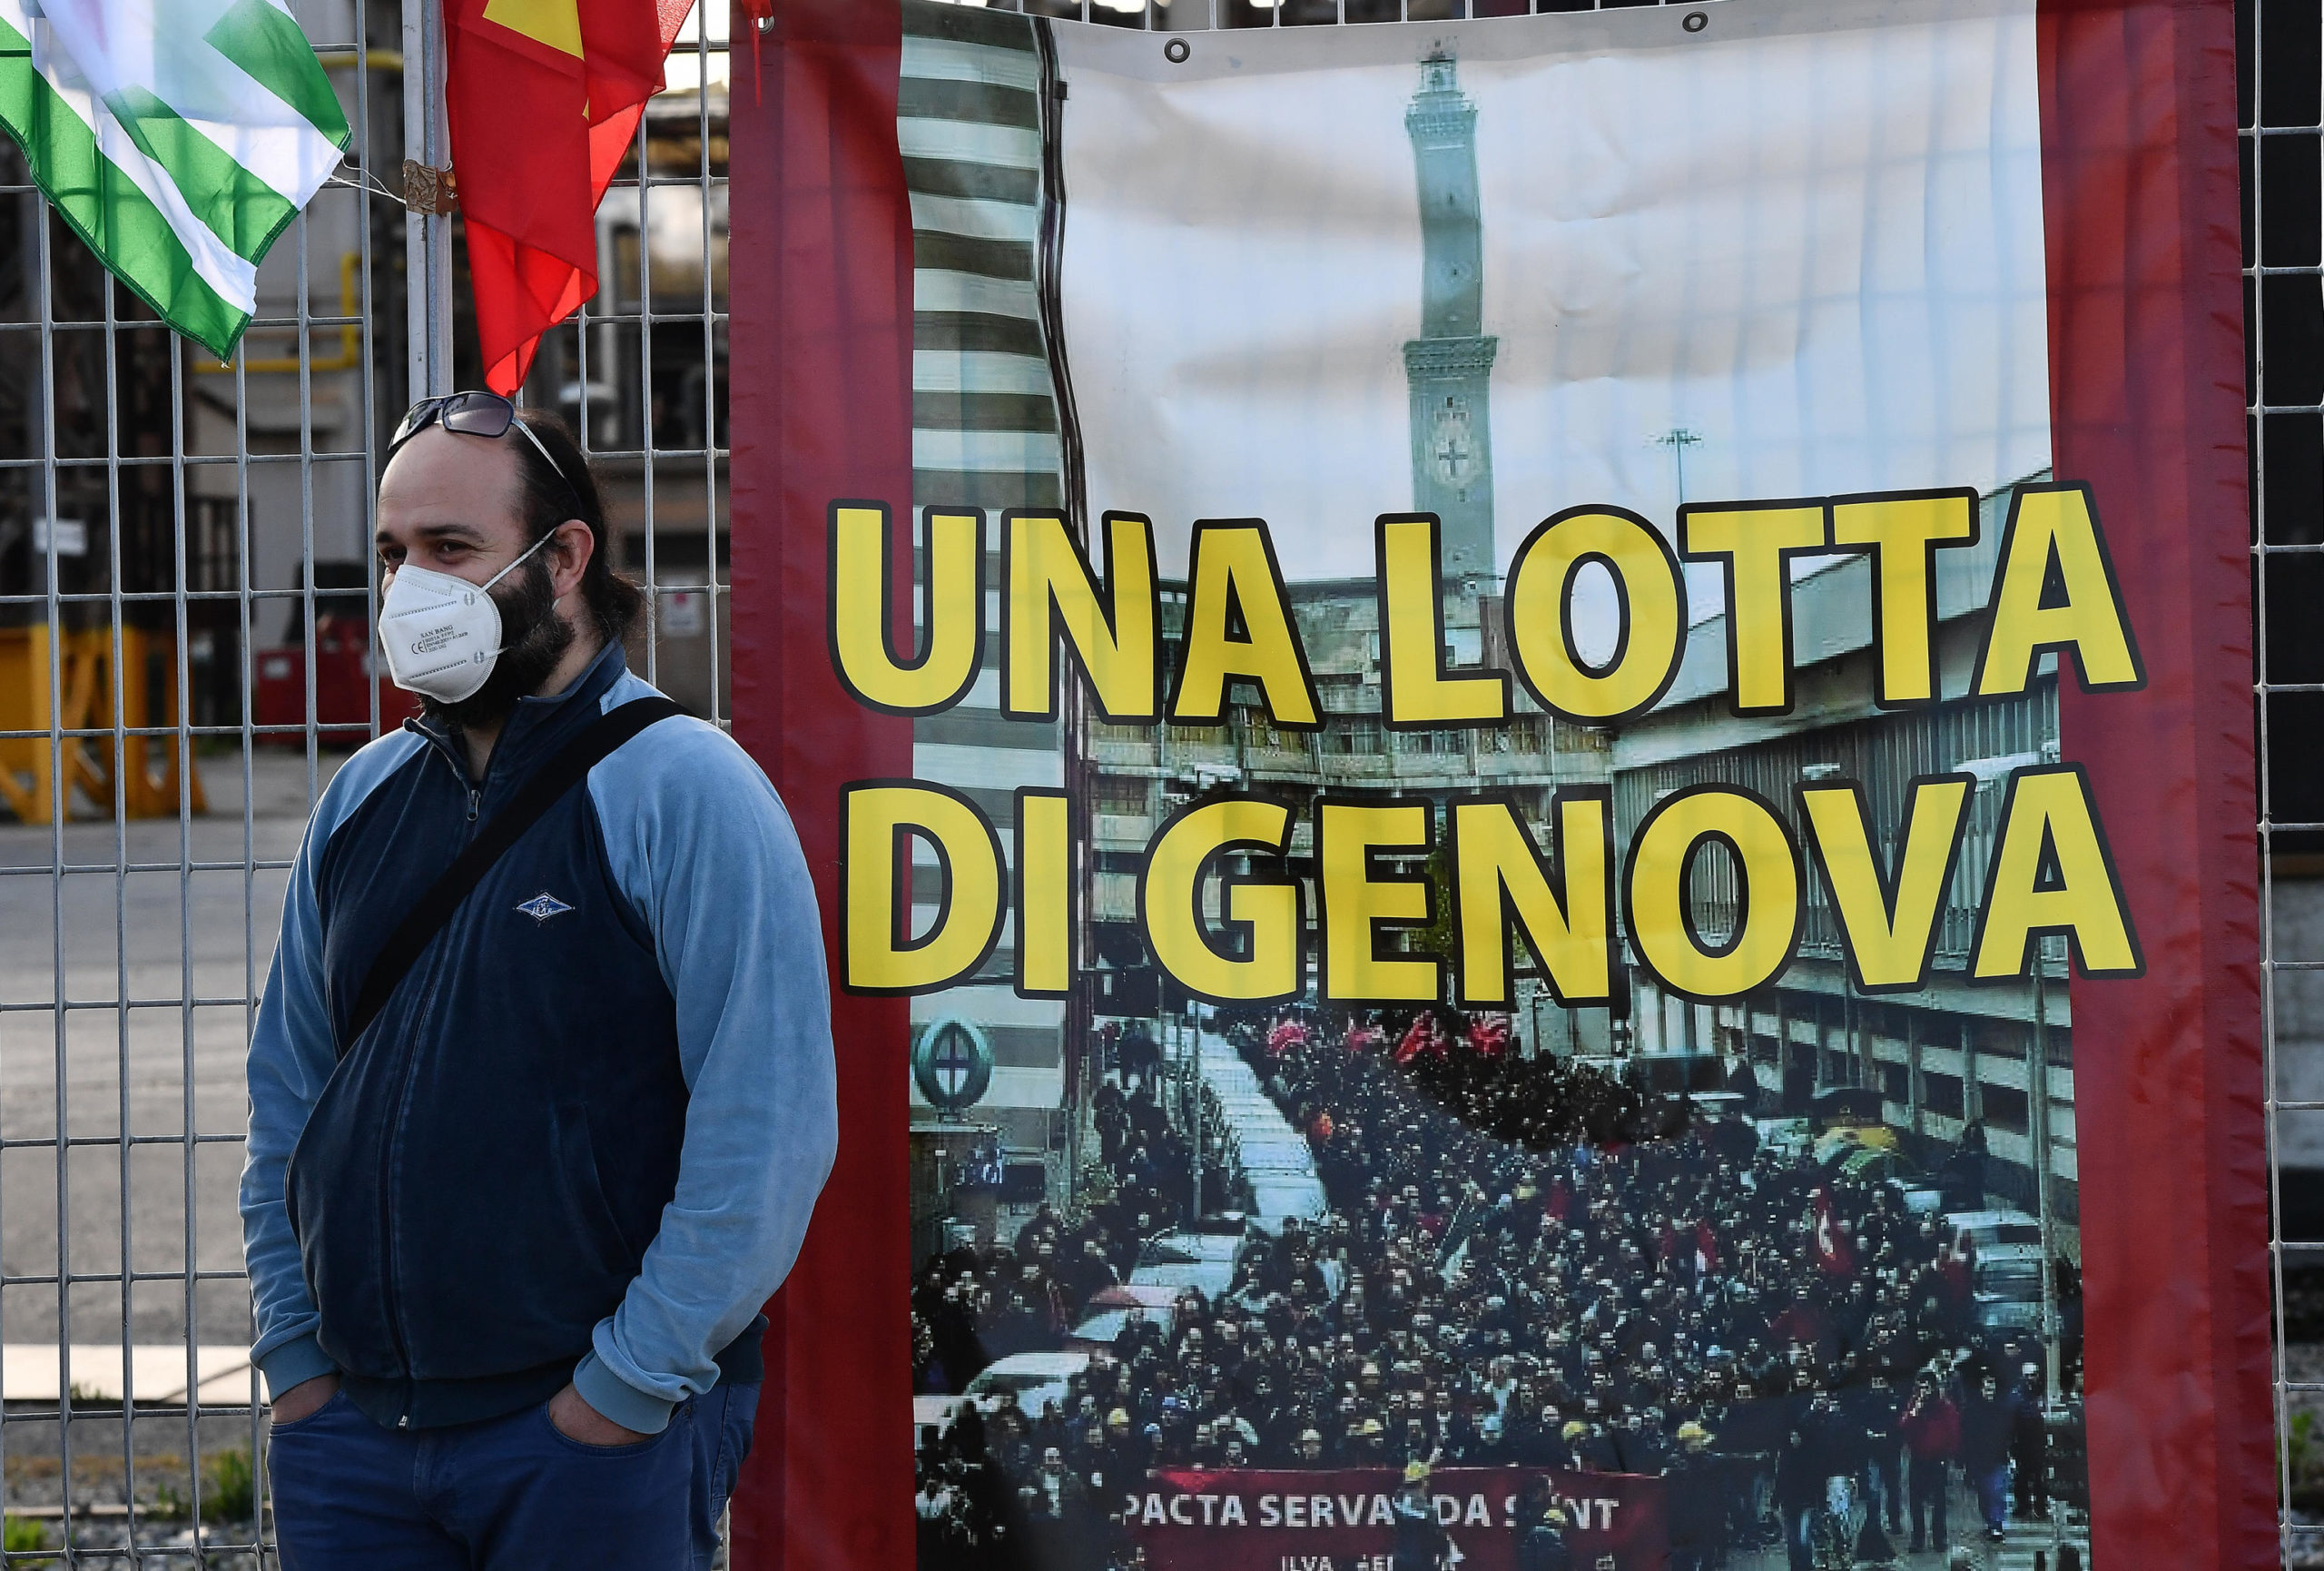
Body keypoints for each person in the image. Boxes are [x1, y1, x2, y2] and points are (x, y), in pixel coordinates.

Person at [241, 394, 838, 1569]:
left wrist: (621, 1388)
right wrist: (299, 1366)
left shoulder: (686, 787)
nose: (412, 587)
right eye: (395, 553)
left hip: (586, 1439)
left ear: (563, 558)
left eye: (450, 549)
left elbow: (763, 1128)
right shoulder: (360, 802)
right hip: (355, 1439)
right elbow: (288, 1107)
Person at [1899, 1370, 1959, 1555]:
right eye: (1920, 1387)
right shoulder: (1915, 1404)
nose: (1923, 1391)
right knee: (1915, 1500)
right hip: (1918, 1457)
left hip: (1937, 1458)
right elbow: (1903, 1426)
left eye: (1926, 1387)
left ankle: (1939, 1537)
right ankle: (1918, 1538)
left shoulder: (1943, 1406)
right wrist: (1915, 1411)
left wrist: (1950, 1453)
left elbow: (1953, 1430)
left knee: (1938, 1500)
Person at [1957, 1372, 2015, 1543]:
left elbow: (2008, 1432)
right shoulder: (1971, 1410)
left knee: (1996, 1491)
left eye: (1992, 1387)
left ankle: (1996, 1525)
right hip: (1979, 1459)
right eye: (1987, 1387)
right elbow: (1966, 1437)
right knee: (1984, 1494)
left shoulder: (2001, 1409)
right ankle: (1991, 1522)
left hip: (1998, 1457)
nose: (1990, 1390)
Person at [1392, 1463, 1448, 1571]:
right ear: (1423, 1483)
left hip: (1401, 1563)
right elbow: (1437, 1541)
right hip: (1422, 1564)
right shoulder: (1429, 1512)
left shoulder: (1397, 1503)